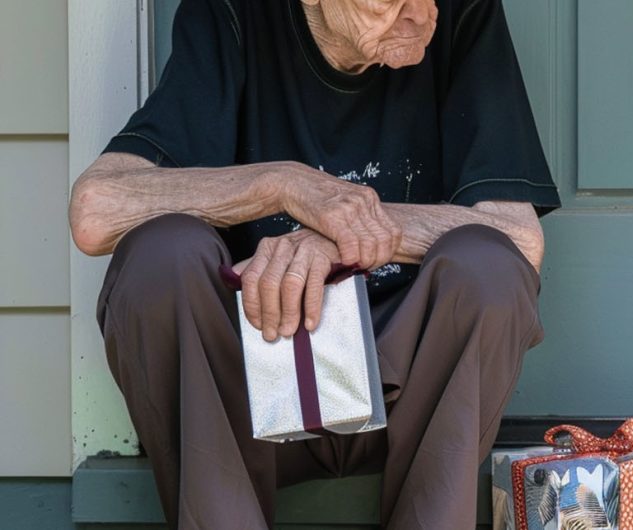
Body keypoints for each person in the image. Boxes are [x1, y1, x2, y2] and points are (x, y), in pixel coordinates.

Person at [68, 0, 560, 528]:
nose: (421, 15)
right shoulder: (233, 12)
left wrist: (344, 231)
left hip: (408, 396)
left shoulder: (460, 13)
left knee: (490, 267)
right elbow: (96, 212)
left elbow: (519, 238)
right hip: (248, 397)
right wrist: (283, 185)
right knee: (159, 255)